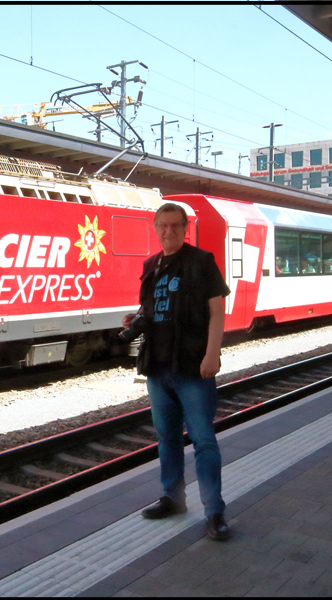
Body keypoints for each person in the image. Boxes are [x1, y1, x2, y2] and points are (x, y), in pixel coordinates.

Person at [122, 203, 231, 541]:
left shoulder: (202, 262)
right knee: (167, 439)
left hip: (193, 367)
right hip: (158, 366)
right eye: (162, 226)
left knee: (203, 441)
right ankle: (173, 498)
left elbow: (217, 312)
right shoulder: (151, 265)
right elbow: (153, 310)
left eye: (174, 226)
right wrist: (135, 319)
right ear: (155, 228)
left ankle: (214, 511)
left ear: (185, 228)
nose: (168, 231)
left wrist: (212, 354)